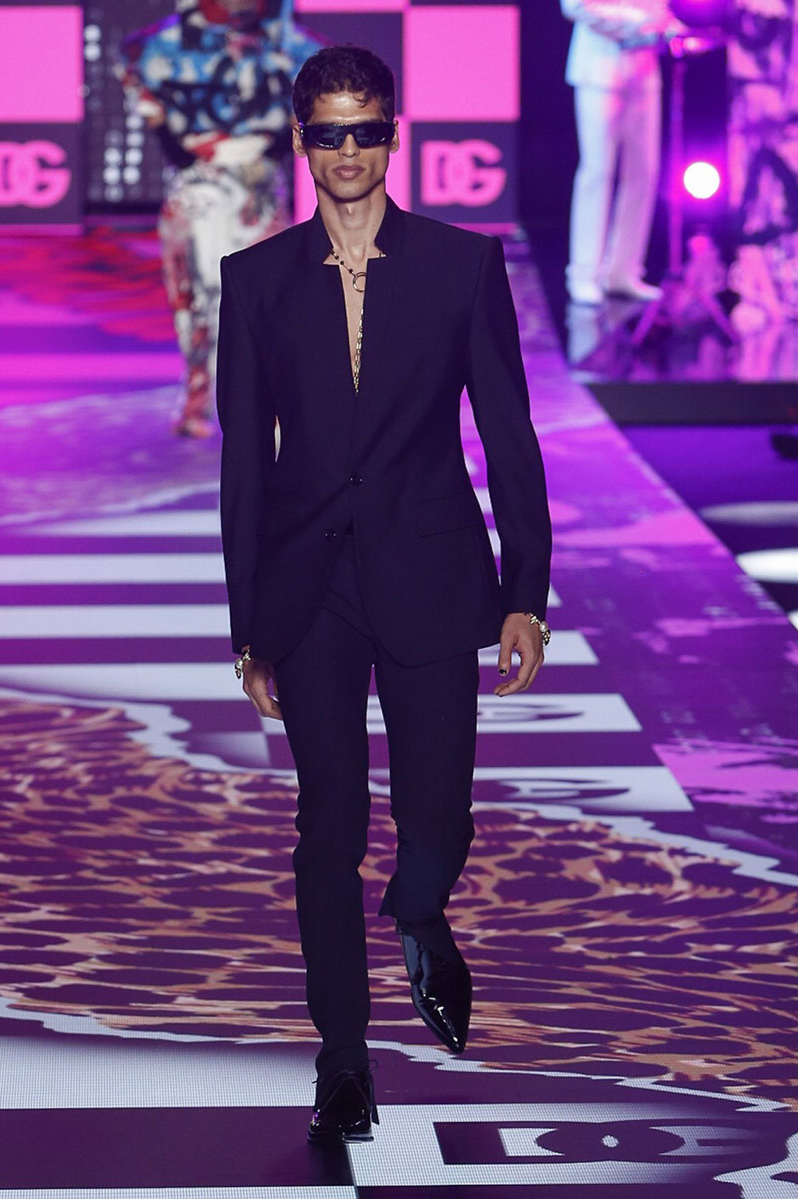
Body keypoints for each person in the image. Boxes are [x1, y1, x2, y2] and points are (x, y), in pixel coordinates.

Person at [216, 45, 552, 1144]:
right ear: (302, 142)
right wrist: (248, 628)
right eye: (329, 132)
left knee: (438, 817)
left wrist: (525, 591)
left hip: (431, 570)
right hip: (310, 588)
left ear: (394, 134)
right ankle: (344, 1060)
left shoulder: (463, 264)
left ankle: (418, 910)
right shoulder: (256, 280)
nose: (349, 150)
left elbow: (508, 437)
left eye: (366, 129)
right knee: (328, 824)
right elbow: (242, 466)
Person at [117, 0, 319, 437]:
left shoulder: (290, 41)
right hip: (196, 183)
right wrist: (182, 147)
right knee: (195, 295)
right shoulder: (154, 46)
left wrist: (271, 148)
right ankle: (199, 395)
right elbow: (139, 80)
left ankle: (270, 405)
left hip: (259, 182)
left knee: (267, 299)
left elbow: (311, 98)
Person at [561, 0, 685, 305]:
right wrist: (636, 21)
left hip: (644, 73)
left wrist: (667, 25)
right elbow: (575, 6)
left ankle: (622, 271)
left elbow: (659, 11)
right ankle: (584, 274)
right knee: (597, 171)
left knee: (644, 171)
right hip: (599, 70)